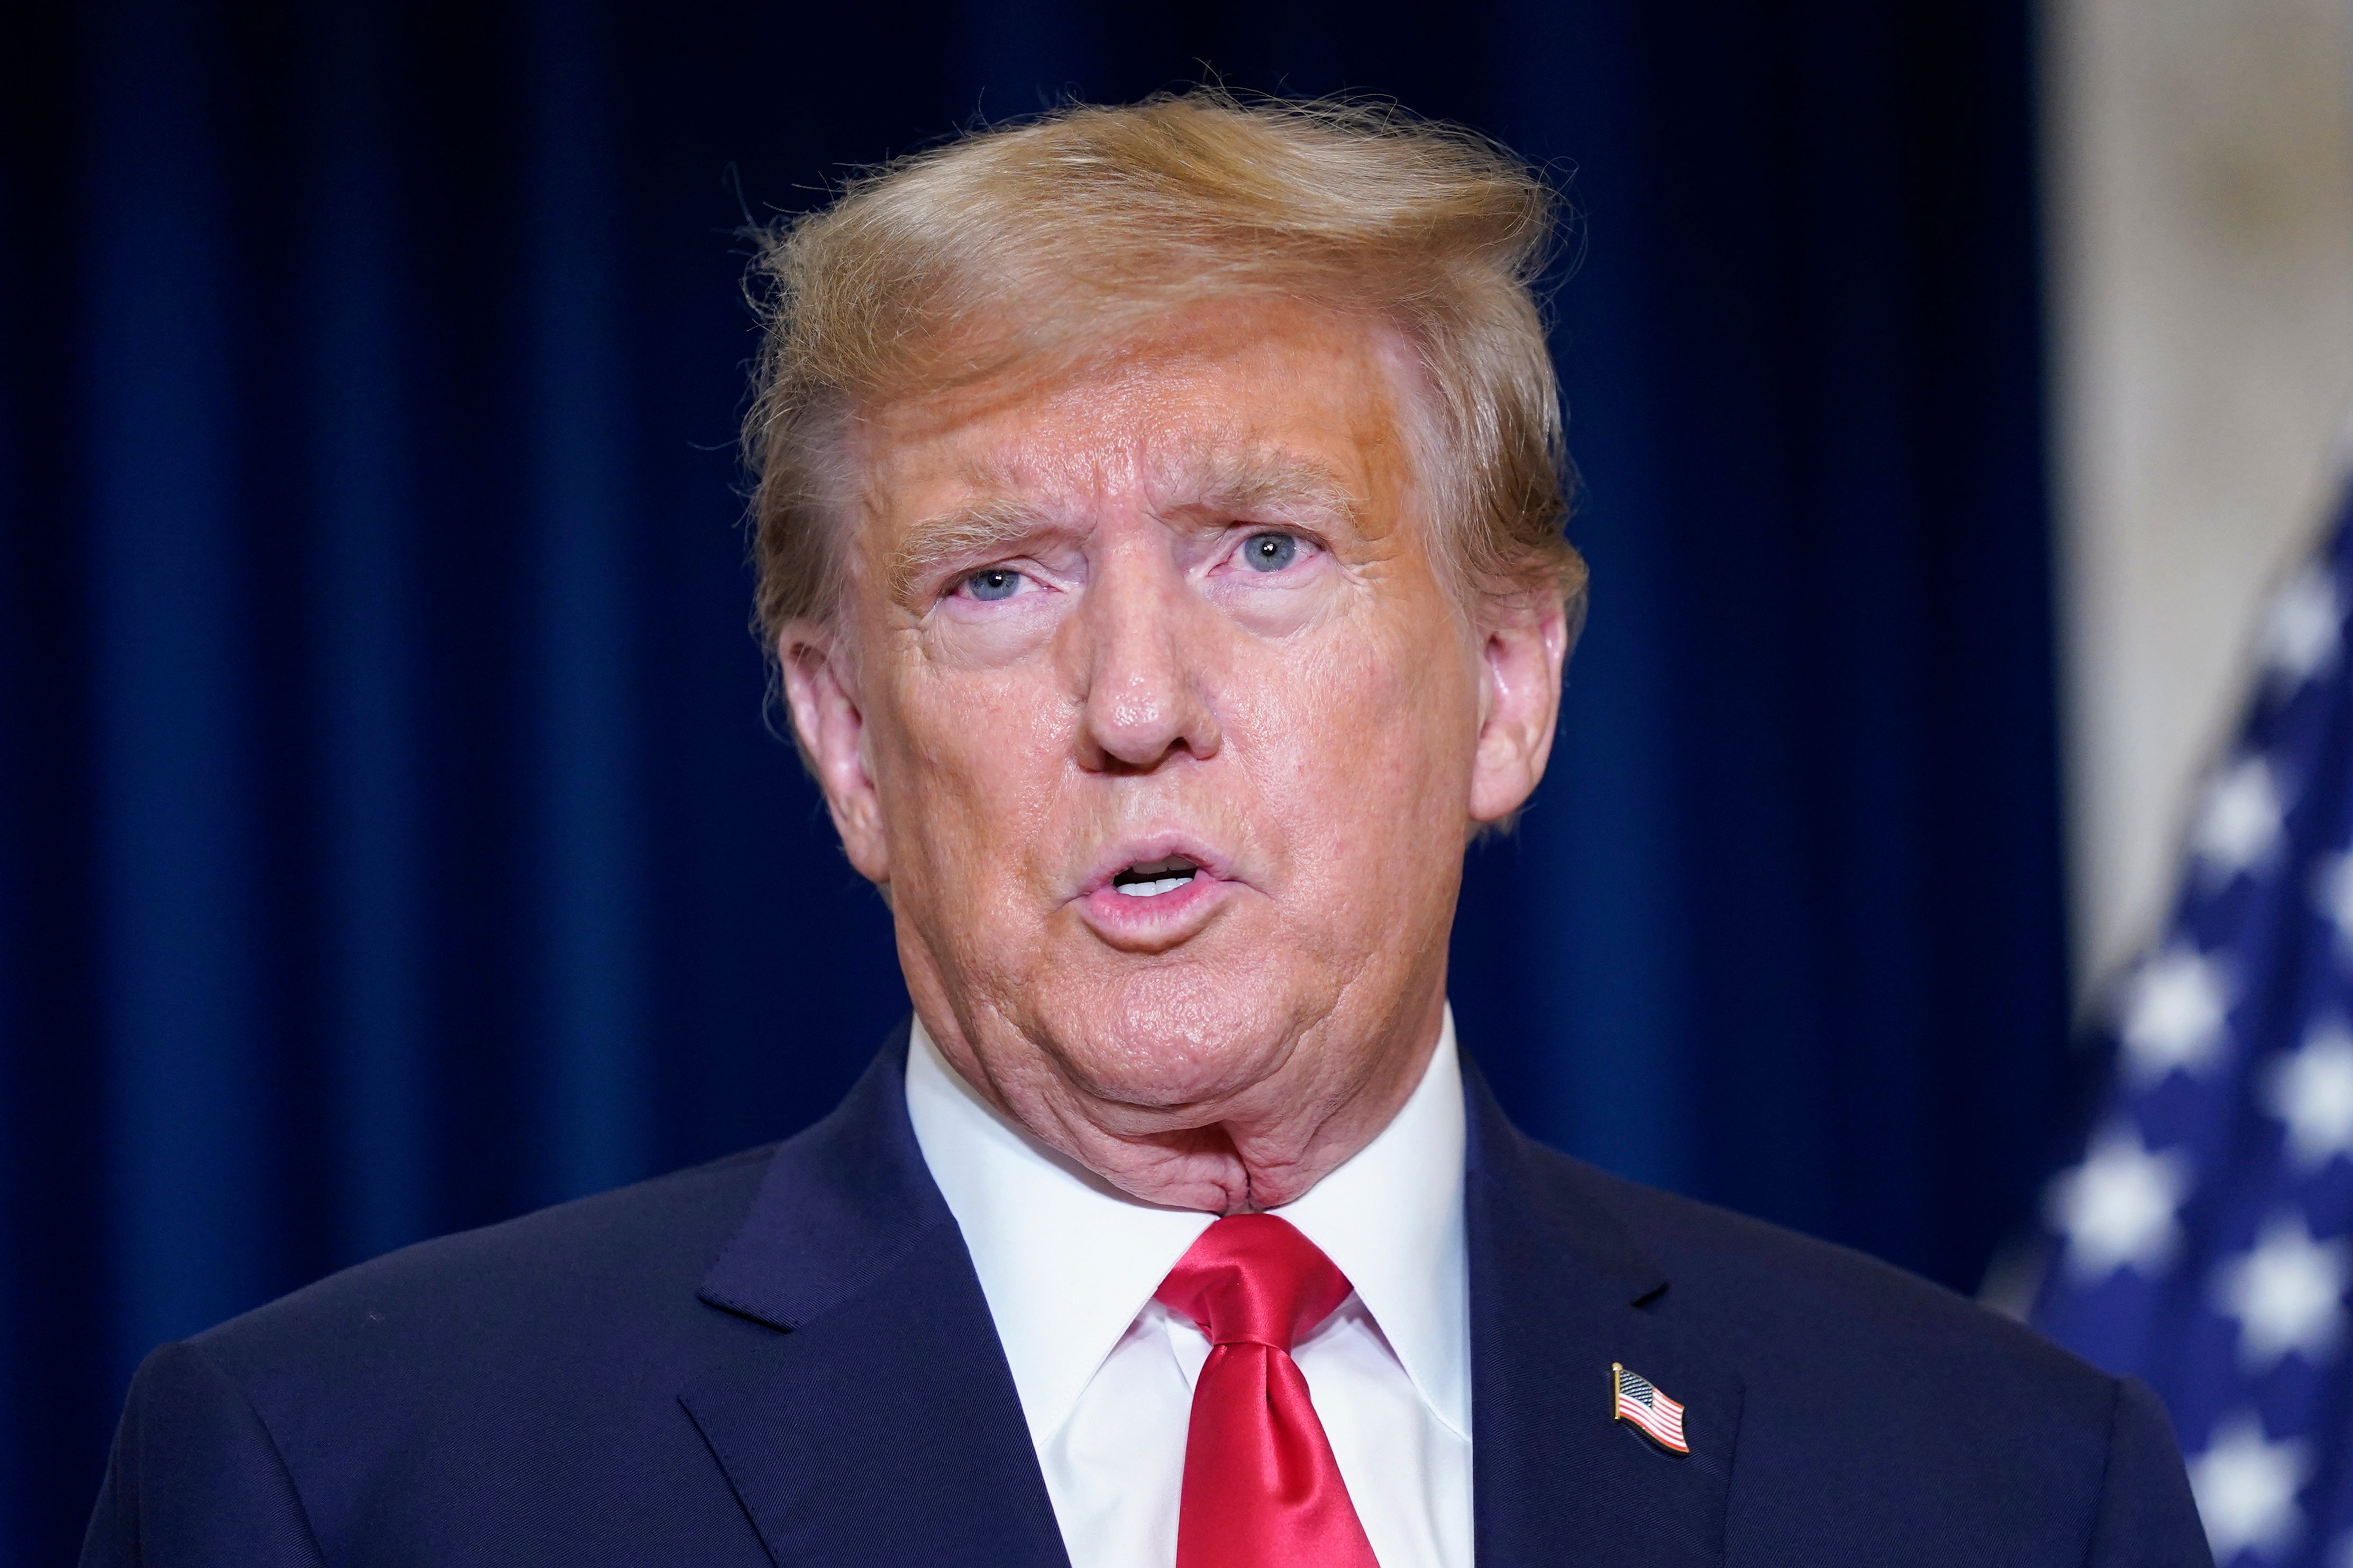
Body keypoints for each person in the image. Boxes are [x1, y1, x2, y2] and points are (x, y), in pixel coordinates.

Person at [81, 93, 2210, 1567]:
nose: (1130, 702)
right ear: (841, 735)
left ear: (1503, 679)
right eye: (993, 580)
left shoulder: (2000, 1487)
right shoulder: (358, 1489)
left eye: (1262, 549)